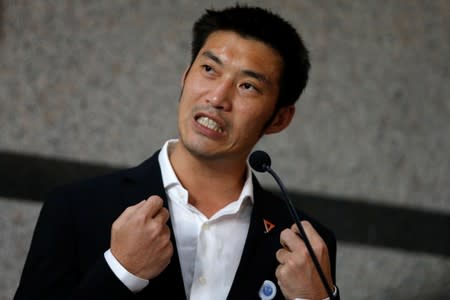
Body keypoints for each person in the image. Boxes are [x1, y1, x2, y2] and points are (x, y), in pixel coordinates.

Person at [14, 5, 339, 300]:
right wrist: (120, 272)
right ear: (185, 77)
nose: (217, 97)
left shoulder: (304, 244)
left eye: (247, 86)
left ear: (279, 118)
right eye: (210, 69)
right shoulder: (75, 208)